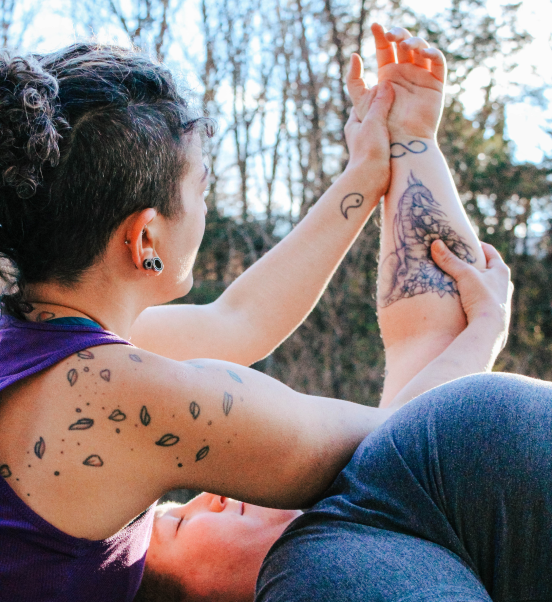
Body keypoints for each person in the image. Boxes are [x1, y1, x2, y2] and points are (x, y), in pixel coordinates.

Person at [0, 28, 486, 602]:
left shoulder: (43, 340)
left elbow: (241, 321)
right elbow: (407, 446)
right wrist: (481, 334)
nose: (206, 208)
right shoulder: (125, 396)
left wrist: (369, 169)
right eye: (202, 188)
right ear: (145, 237)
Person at [137, 25, 516, 602]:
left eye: (177, 500)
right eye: (181, 520)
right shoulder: (331, 559)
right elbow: (410, 432)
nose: (207, 493)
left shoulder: (354, 505)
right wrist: (483, 335)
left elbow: (242, 322)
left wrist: (405, 143)